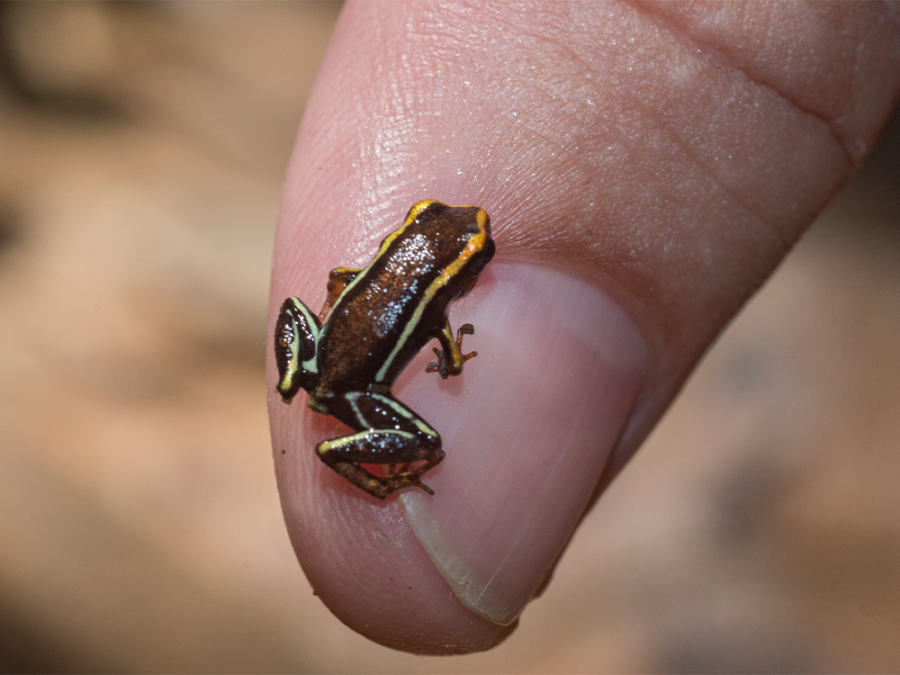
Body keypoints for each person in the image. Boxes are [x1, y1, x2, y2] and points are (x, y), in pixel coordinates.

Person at [267, 1, 900, 654]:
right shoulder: (433, 308)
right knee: (427, 443)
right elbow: (443, 348)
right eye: (472, 255)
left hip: (327, 362)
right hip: (351, 392)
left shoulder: (400, 274)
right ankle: (367, 468)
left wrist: (360, 318)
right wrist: (451, 359)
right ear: (439, 260)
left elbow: (347, 279)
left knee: (312, 309)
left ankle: (298, 376)